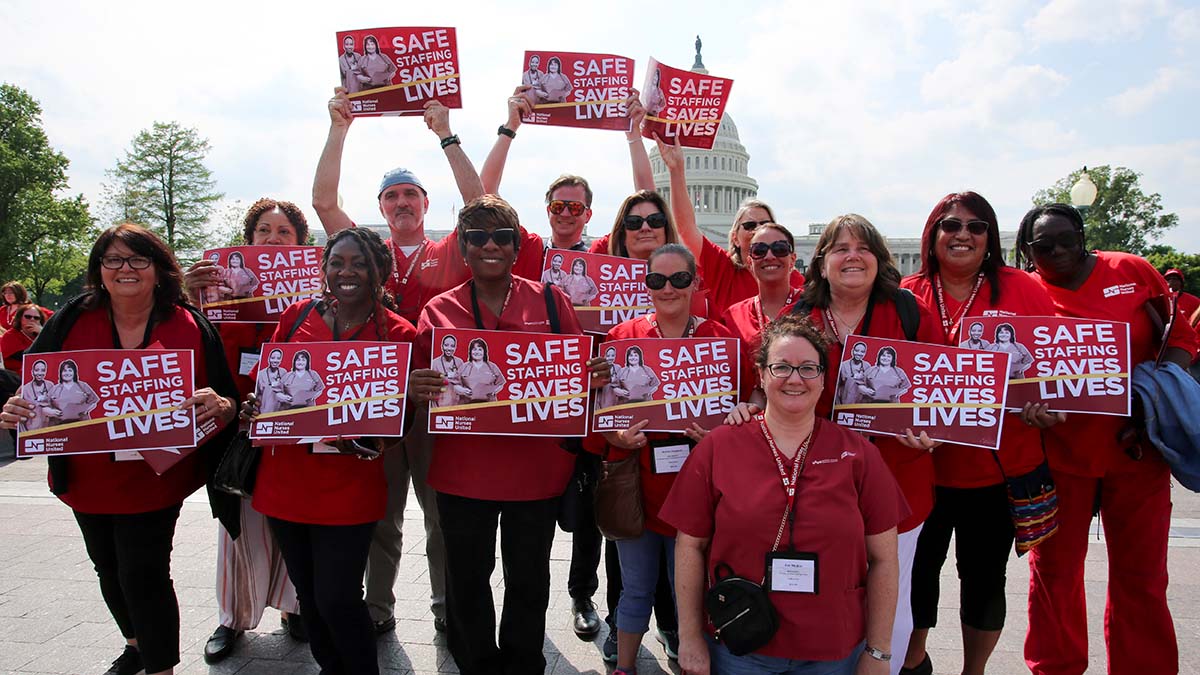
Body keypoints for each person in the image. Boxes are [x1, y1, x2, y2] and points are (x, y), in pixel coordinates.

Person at [315, 90, 542, 635]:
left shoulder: (453, 251)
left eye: (409, 195)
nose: (400, 204)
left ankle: (447, 608)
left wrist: (444, 134)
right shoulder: (369, 255)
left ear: (426, 204)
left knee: (440, 517)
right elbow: (324, 204)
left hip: (442, 402)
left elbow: (483, 202)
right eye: (390, 196)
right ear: (382, 207)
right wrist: (339, 128)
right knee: (381, 514)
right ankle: (378, 607)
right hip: (380, 399)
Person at [0, 223, 239, 675]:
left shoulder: (187, 322)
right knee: (107, 567)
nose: (124, 269)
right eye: (113, 259)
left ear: (158, 268)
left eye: (137, 259)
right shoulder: (72, 318)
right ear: (99, 269)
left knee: (143, 573)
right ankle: (136, 644)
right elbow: (35, 386)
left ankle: (160, 667)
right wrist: (15, 407)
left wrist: (222, 405)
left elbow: (225, 400)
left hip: (156, 477)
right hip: (87, 477)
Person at [478, 86, 654, 642]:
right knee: (537, 507)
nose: (566, 214)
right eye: (558, 206)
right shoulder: (529, 251)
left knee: (591, 506)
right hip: (542, 397)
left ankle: (583, 596)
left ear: (590, 214)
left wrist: (634, 137)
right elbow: (483, 197)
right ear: (547, 211)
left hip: (600, 395)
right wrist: (510, 128)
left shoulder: (605, 251)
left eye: (576, 206)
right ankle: (521, 599)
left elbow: (650, 203)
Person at [406, 195, 610, 674]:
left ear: (518, 246)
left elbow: (573, 374)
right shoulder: (439, 309)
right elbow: (418, 385)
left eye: (501, 237)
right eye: (476, 237)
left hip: (534, 474)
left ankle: (522, 662)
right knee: (467, 579)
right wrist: (414, 386)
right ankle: (475, 662)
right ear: (463, 247)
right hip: (462, 473)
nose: (489, 246)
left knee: (529, 579)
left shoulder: (551, 300)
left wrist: (593, 373)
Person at [662, 314, 905, 675]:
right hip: (740, 647)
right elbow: (689, 547)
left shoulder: (858, 454)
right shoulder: (719, 447)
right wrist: (691, 637)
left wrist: (879, 651)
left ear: (824, 378)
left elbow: (885, 560)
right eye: (782, 367)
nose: (795, 378)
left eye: (809, 368)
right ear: (761, 375)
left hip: (833, 651)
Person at [1015, 203, 1197, 675]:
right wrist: (1026, 411)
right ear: (1028, 252)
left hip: (1136, 449)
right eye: (1042, 246)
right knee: (1053, 575)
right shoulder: (1022, 290)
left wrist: (1153, 395)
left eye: (1066, 240)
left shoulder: (1131, 270)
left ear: (1082, 235)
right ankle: (1056, 667)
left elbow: (1179, 337)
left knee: (1143, 576)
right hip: (1057, 456)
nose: (1057, 252)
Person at [900, 192, 1064, 675]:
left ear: (990, 237)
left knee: (985, 581)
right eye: (951, 225)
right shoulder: (907, 294)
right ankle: (913, 663)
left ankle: (975, 671)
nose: (963, 235)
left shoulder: (1024, 290)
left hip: (998, 469)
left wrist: (1049, 407)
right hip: (921, 469)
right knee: (915, 578)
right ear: (933, 235)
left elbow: (1051, 370)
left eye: (976, 227)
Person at [244, 226, 415, 675]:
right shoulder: (298, 316)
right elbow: (272, 384)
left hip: (349, 488)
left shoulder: (399, 333)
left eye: (360, 263)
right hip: (285, 484)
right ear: (323, 268)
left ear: (381, 271)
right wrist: (255, 406)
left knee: (337, 596)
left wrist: (367, 435)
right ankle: (330, 667)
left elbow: (401, 424)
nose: (348, 271)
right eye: (337, 262)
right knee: (307, 593)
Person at [594, 243, 733, 675]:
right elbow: (599, 412)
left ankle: (695, 662)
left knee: (687, 590)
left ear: (695, 282)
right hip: (639, 484)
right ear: (646, 284)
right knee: (634, 587)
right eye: (657, 280)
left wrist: (721, 430)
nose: (668, 288)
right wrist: (615, 433)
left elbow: (750, 400)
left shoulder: (718, 337)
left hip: (696, 493)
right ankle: (625, 667)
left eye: (678, 279)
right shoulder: (622, 337)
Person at [183, 197, 309, 663]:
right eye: (263, 231)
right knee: (239, 527)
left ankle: (296, 608)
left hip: (294, 428)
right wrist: (186, 293)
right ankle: (232, 617)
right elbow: (189, 348)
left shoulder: (314, 301)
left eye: (283, 233)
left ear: (300, 245)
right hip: (235, 426)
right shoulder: (216, 290)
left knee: (295, 521)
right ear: (248, 239)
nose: (272, 240)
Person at [655, 135, 804, 319]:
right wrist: (676, 170)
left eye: (765, 224)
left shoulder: (792, 277)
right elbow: (685, 228)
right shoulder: (724, 270)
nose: (758, 229)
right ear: (735, 237)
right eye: (749, 225)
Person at [719, 223, 804, 401]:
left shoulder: (815, 307)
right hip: (751, 418)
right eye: (760, 250)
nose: (770, 256)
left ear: (793, 260)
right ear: (750, 262)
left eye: (780, 249)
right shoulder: (733, 316)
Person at [47, 359, 99, 424]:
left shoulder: (82, 386)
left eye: (70, 370)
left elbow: (94, 401)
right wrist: (51, 412)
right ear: (61, 373)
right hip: (59, 424)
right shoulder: (54, 389)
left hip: (81, 422)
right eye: (64, 371)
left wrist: (85, 410)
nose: (67, 373)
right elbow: (45, 405)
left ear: (74, 372)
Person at [455, 337, 505, 403]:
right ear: (470, 351)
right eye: (474, 349)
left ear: (484, 352)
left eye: (480, 349)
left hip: (488, 404)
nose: (477, 352)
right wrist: (462, 390)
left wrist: (494, 391)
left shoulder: (492, 367)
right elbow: (454, 384)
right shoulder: (464, 367)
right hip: (466, 405)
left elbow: (500, 383)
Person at [2, 303, 47, 371]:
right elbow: (26, 356)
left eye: (36, 318)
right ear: (20, 318)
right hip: (16, 377)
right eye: (28, 317)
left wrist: (42, 333)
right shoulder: (10, 335)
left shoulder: (40, 335)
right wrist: (42, 336)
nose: (32, 319)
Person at [17, 358, 55, 431]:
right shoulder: (25, 389)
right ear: (32, 372)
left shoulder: (50, 385)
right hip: (32, 429)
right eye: (37, 370)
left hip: (49, 429)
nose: (40, 373)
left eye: (43, 370)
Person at [429, 334, 465, 408]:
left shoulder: (459, 362)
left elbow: (463, 382)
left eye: (452, 346)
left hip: (456, 403)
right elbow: (432, 388)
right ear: (442, 346)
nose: (449, 348)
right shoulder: (434, 363)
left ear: (455, 347)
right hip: (440, 403)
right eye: (446, 345)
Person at [255, 348, 289, 415]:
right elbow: (257, 395)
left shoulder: (283, 372)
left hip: (279, 414)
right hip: (263, 413)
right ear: (269, 359)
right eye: (273, 358)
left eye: (278, 358)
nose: (275, 360)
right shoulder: (261, 374)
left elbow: (287, 392)